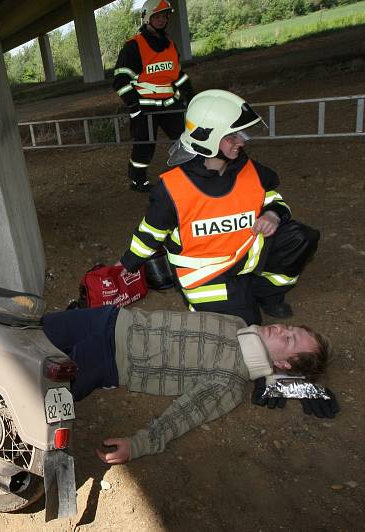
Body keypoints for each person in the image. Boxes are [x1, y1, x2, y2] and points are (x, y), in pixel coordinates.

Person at [118, 89, 319, 326]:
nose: (242, 141)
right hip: (208, 277)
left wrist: (273, 214)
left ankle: (266, 294)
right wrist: (128, 263)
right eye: (232, 136)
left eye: (241, 134)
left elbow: (274, 198)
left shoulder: (250, 168)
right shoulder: (172, 188)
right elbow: (150, 234)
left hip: (245, 256)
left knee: (302, 237)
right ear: (207, 138)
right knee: (247, 328)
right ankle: (241, 298)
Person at [41, 305, 337, 465]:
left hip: (107, 360)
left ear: (284, 364)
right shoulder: (238, 323)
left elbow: (185, 413)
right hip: (109, 319)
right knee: (29, 329)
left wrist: (138, 445)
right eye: (290, 328)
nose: (282, 329)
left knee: (35, 391)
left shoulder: (230, 382)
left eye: (288, 340)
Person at [112, 0, 193, 192]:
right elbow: (120, 80)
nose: (161, 20)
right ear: (147, 18)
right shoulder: (133, 46)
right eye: (157, 16)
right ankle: (137, 180)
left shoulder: (171, 45)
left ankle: (192, 173)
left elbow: (178, 76)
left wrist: (190, 96)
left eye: (164, 16)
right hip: (144, 107)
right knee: (144, 146)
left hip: (170, 104)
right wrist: (134, 106)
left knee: (185, 139)